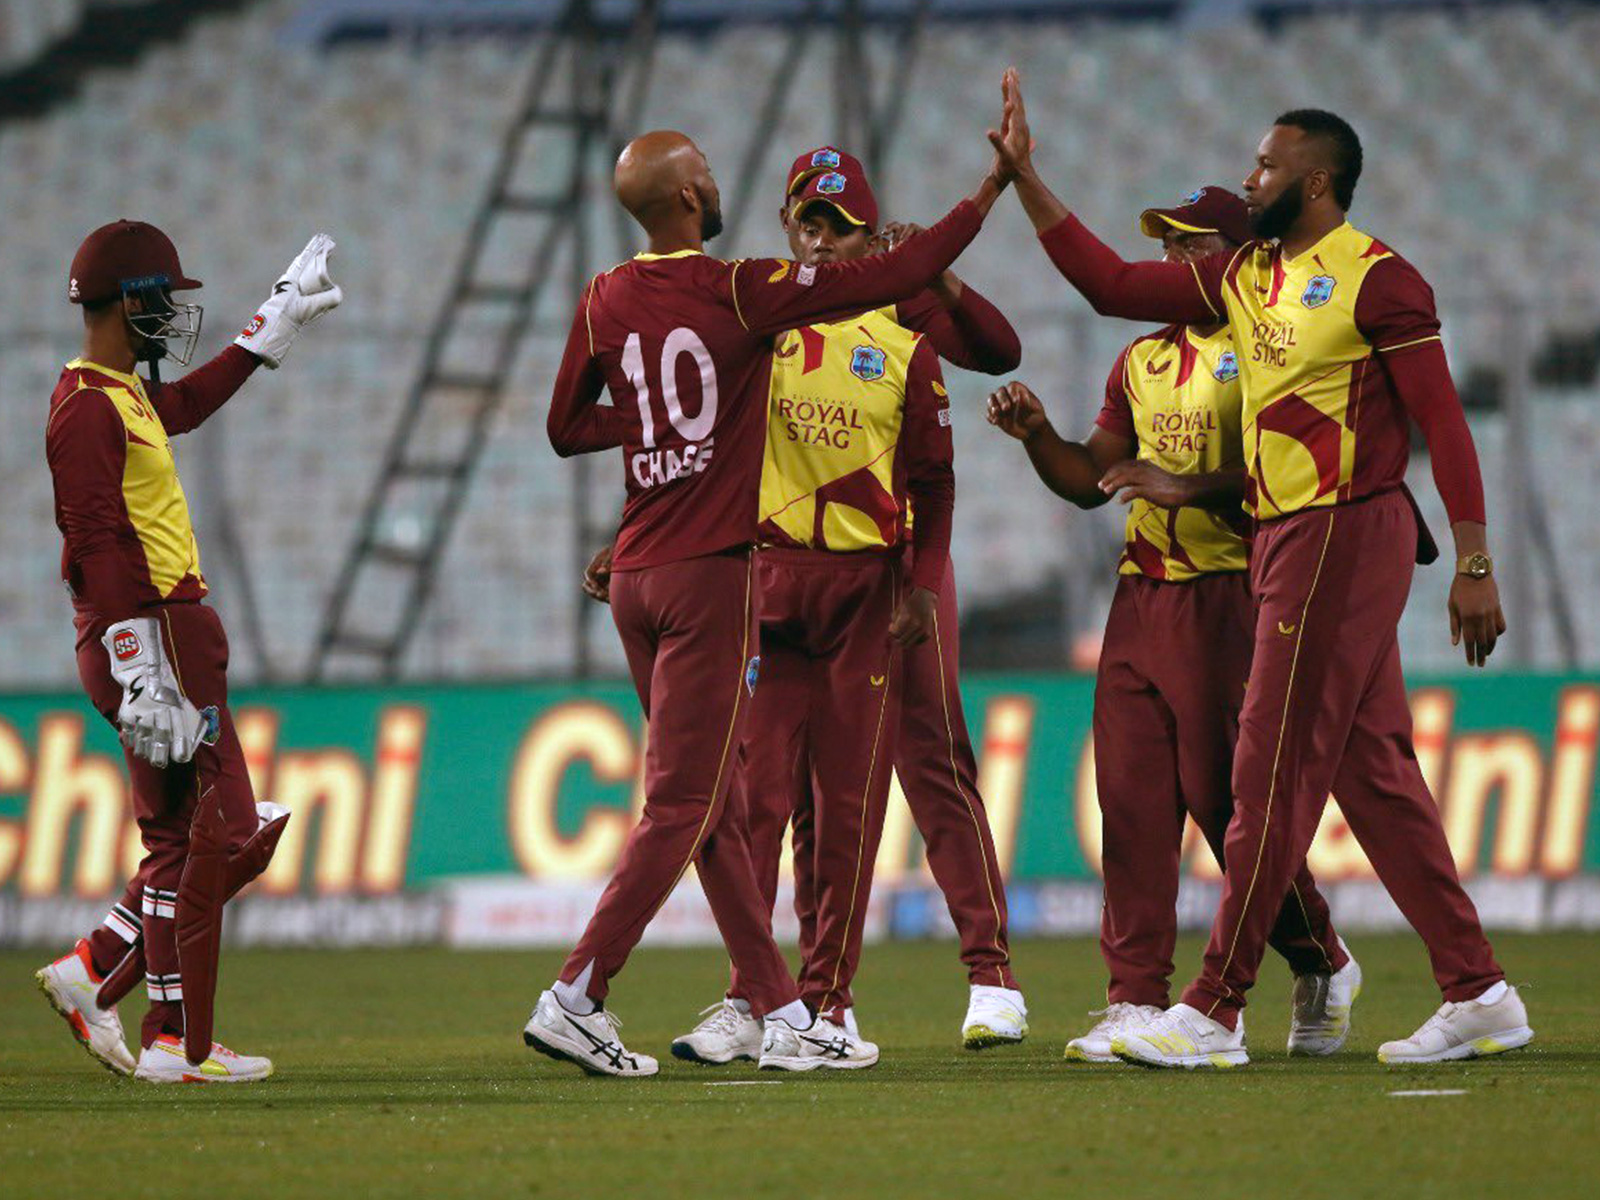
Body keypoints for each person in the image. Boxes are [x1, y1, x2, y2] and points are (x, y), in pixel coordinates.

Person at [991, 68, 1530, 1067]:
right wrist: (1024, 177)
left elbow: (1442, 420)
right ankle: (1479, 989)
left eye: (1266, 163)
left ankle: (1212, 1010)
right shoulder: (1244, 278)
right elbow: (1109, 284)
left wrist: (1475, 558)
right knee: (1372, 777)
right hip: (1285, 534)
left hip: (1341, 527)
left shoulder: (1378, 278)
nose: (1250, 176)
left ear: (1316, 181)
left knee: (1266, 766)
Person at [527, 118, 1017, 1077]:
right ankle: (579, 993)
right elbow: (875, 281)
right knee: (698, 804)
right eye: (705, 170)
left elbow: (566, 426)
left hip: (662, 571)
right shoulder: (744, 298)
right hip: (723, 574)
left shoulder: (608, 296)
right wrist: (990, 190)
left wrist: (660, 448)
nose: (718, 177)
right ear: (687, 201)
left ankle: (790, 1003)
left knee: (739, 803)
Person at [986, 186, 1358, 1064]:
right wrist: (1040, 437)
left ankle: (1321, 958)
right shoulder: (1140, 362)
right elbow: (1092, 480)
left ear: (1232, 261)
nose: (1171, 263)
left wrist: (1188, 486)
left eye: (1191, 246)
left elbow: (1285, 469)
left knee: (1223, 799)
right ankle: (1132, 999)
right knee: (1130, 799)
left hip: (1231, 594)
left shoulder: (1266, 353)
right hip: (1141, 596)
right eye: (1166, 245)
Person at [34, 221, 341, 1083]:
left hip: (158, 635)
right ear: (129, 303)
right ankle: (176, 1038)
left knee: (178, 841)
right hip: (155, 633)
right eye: (162, 299)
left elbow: (189, 406)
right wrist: (139, 665)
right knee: (231, 832)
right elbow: (93, 537)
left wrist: (267, 329)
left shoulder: (113, 393)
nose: (171, 315)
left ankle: (101, 974)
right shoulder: (87, 406)